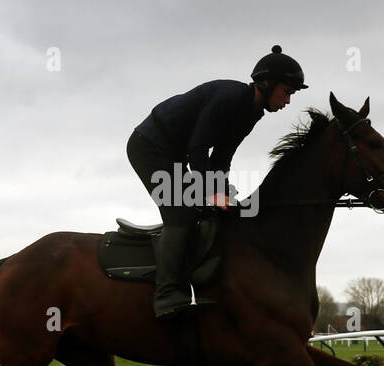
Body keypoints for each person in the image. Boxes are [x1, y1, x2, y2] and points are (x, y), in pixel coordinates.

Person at [127, 45, 306, 318]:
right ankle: (167, 295)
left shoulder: (252, 112)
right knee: (182, 211)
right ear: (267, 84)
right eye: (286, 92)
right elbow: (198, 148)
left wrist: (222, 194)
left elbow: (222, 157)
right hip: (148, 148)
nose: (288, 101)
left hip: (175, 154)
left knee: (216, 209)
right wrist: (209, 192)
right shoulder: (231, 98)